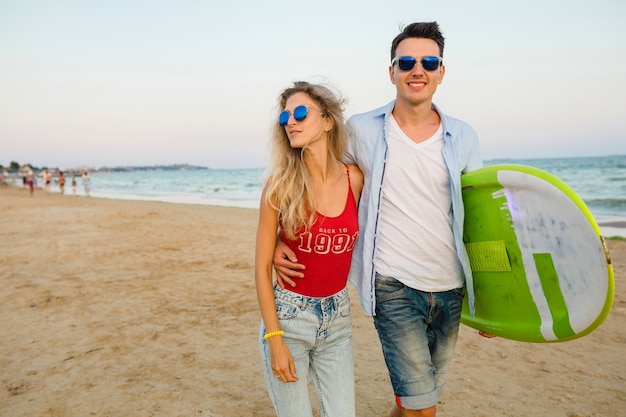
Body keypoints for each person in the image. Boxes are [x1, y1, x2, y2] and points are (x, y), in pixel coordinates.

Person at [274, 22, 483, 417]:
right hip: (393, 284)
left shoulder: (464, 136)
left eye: (427, 62)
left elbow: (477, 220)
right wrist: (279, 240)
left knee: (415, 403)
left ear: (441, 71)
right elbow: (316, 181)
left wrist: (489, 298)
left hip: (450, 287)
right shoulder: (361, 130)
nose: (416, 70)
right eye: (406, 62)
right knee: (423, 408)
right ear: (392, 72)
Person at [255, 81, 364, 417]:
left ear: (328, 120)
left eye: (300, 112)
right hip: (288, 319)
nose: (291, 121)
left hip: (339, 318)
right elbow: (260, 269)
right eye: (285, 116)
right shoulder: (279, 185)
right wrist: (275, 340)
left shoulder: (355, 179)